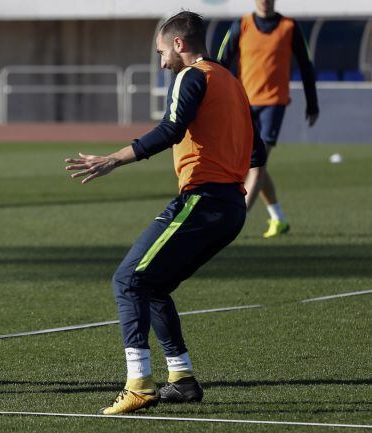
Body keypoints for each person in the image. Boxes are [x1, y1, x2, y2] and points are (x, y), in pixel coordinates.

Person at [65, 11, 266, 414]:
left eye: (161, 52)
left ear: (179, 44)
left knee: (127, 280)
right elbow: (257, 152)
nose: (160, 63)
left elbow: (171, 128)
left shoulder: (192, 76)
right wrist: (241, 202)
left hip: (203, 201)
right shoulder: (231, 82)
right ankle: (182, 379)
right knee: (153, 286)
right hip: (228, 207)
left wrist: (113, 159)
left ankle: (138, 383)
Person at [218, 0, 319, 238]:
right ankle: (278, 218)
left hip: (274, 104)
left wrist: (312, 103)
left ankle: (238, 220)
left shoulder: (289, 26)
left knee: (257, 165)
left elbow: (306, 66)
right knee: (253, 164)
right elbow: (221, 63)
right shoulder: (240, 25)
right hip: (243, 104)